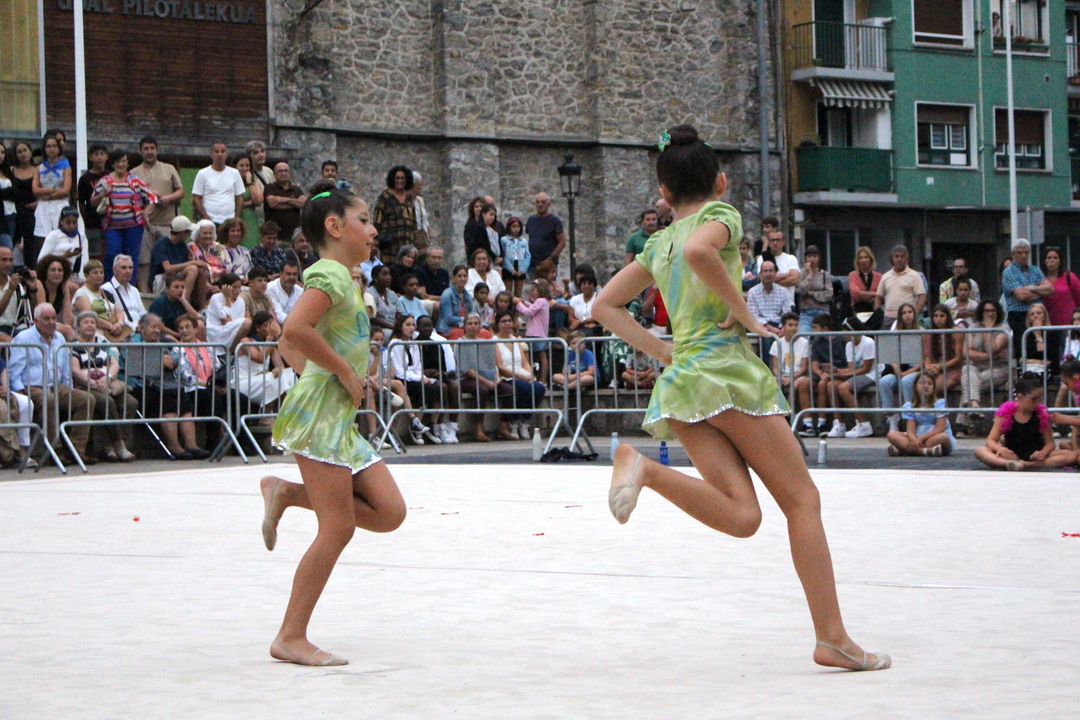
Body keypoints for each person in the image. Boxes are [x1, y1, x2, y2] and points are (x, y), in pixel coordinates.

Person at [592, 124, 889, 672]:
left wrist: (663, 352)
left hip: (683, 385)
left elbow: (603, 307)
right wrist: (746, 312)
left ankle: (646, 469)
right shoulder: (720, 216)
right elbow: (702, 251)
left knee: (743, 515)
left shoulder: (658, 243)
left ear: (663, 195)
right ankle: (832, 637)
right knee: (802, 501)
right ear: (721, 182)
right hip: (725, 372)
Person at [8, 303, 96, 465]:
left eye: (54, 318)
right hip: (32, 386)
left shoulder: (59, 338)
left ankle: (76, 449)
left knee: (86, 399)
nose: (51, 322)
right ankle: (55, 450)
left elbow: (65, 368)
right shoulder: (24, 338)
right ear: (35, 320)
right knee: (48, 400)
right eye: (46, 319)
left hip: (56, 385)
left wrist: (69, 388)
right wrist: (19, 390)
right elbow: (14, 370)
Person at [68, 310, 139, 462]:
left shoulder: (102, 342)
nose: (90, 325)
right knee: (107, 402)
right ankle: (119, 445)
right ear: (78, 326)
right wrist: (91, 382)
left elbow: (114, 364)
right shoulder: (73, 345)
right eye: (85, 322)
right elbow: (74, 370)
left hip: (106, 383)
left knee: (130, 402)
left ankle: (112, 446)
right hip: (85, 385)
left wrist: (107, 378)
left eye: (93, 322)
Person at [974, 376, 1076, 470]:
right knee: (980, 450)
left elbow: (1050, 442)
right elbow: (991, 440)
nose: (1038, 403)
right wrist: (1000, 449)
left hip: (1035, 455)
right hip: (1012, 454)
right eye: (1034, 399)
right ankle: (1008, 463)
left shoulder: (1040, 415)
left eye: (1040, 399)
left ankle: (1027, 465)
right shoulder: (1005, 414)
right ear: (1019, 397)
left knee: (1072, 455)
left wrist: (1043, 452)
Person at [90, 149, 158, 283]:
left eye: (123, 161)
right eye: (118, 162)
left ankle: (129, 287)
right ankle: (110, 286)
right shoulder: (105, 181)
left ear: (127, 164)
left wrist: (146, 212)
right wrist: (103, 194)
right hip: (112, 226)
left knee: (131, 258)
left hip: (134, 226)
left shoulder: (135, 180)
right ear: (113, 164)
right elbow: (92, 202)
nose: (121, 164)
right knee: (112, 255)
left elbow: (152, 198)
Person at [131, 136, 185, 292]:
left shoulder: (169, 169)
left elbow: (181, 191)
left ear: (157, 149)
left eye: (152, 148)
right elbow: (131, 198)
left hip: (167, 223)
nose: (149, 152)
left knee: (168, 262)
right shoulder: (134, 173)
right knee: (144, 261)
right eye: (146, 149)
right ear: (140, 151)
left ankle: (168, 293)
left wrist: (168, 198)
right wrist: (149, 197)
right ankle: (145, 294)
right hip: (144, 224)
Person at [492, 309, 546, 441]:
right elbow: (500, 366)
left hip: (521, 373)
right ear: (498, 324)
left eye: (509, 321)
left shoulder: (515, 340)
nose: (507, 324)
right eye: (503, 321)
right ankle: (514, 421)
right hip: (507, 376)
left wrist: (530, 374)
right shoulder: (494, 341)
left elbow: (525, 362)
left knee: (539, 388)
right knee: (525, 388)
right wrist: (520, 376)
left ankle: (525, 421)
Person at [389, 314, 443, 445]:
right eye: (408, 325)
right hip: (403, 378)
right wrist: (419, 378)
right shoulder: (395, 344)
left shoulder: (414, 344)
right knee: (423, 389)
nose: (411, 328)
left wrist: (423, 377)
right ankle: (415, 426)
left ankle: (432, 424)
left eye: (413, 325)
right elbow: (400, 371)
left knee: (438, 387)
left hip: (414, 377)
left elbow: (418, 367)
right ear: (400, 327)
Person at [958, 299, 1010, 433]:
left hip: (999, 368)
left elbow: (992, 349)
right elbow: (966, 352)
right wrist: (989, 356)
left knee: (969, 382)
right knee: (967, 370)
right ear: (981, 312)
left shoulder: (1004, 329)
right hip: (976, 367)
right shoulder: (973, 328)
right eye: (986, 311)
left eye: (992, 311)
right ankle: (974, 406)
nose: (990, 314)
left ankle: (964, 423)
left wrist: (988, 330)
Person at [818, 319, 877, 438]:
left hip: (872, 374)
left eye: (845, 332)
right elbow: (851, 368)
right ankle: (839, 424)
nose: (844, 335)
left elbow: (865, 369)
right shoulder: (849, 345)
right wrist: (836, 371)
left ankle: (863, 424)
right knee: (831, 385)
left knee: (843, 388)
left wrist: (840, 375)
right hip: (858, 374)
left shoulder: (868, 342)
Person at [235, 310, 295, 415]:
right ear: (257, 328)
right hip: (244, 382)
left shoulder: (269, 344)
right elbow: (260, 358)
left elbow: (282, 366)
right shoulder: (245, 341)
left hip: (261, 380)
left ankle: (289, 413)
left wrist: (278, 369)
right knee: (273, 379)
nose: (269, 328)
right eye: (266, 326)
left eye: (271, 325)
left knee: (289, 375)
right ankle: (265, 415)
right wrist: (270, 337)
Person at [1002, 239, 1052, 358]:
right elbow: (1021, 296)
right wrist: (1040, 291)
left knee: (1042, 347)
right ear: (1013, 254)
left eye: (1026, 252)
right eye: (1020, 253)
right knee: (1025, 349)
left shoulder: (1035, 269)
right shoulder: (1008, 272)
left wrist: (1031, 288)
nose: (1024, 256)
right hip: (1019, 316)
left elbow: (1050, 288)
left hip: (1038, 313)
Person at [885, 372, 955, 457]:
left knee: (943, 438)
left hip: (932, 436)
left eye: (930, 384)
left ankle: (905, 451)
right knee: (892, 434)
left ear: (934, 387)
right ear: (915, 387)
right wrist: (913, 439)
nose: (926, 386)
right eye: (922, 383)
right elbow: (910, 430)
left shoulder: (940, 404)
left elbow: (940, 428)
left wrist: (921, 438)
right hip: (917, 436)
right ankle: (924, 451)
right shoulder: (910, 406)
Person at [877, 302, 923, 431]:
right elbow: (891, 356)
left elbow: (925, 359)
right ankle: (891, 416)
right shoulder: (895, 333)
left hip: (916, 371)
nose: (907, 315)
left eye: (910, 312)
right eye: (904, 313)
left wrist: (909, 372)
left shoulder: (922, 332)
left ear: (914, 314)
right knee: (884, 382)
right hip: (900, 371)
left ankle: (909, 416)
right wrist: (896, 368)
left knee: (906, 381)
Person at [30, 135, 72, 267]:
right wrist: (53, 190)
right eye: (48, 146)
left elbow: (65, 190)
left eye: (54, 146)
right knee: (43, 239)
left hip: (60, 205)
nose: (51, 149)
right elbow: (35, 190)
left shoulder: (65, 166)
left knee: (61, 237)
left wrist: (46, 194)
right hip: (43, 207)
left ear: (59, 148)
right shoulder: (39, 167)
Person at [454, 313, 496, 442]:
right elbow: (467, 370)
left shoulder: (485, 343)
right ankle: (478, 429)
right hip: (465, 378)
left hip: (484, 376)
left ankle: (506, 426)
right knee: (482, 390)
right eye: (470, 323)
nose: (473, 326)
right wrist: (487, 382)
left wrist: (497, 379)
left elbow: (491, 365)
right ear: (465, 326)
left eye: (476, 323)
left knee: (509, 389)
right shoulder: (460, 343)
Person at [149, 216, 205, 302]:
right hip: (161, 279)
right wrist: (193, 262)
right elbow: (168, 269)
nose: (189, 235)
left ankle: (202, 305)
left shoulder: (182, 245)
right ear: (182, 233)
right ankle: (184, 302)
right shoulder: (161, 245)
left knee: (199, 270)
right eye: (188, 232)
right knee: (193, 268)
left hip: (175, 275)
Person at [72, 259, 128, 342]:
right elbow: (90, 317)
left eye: (101, 272)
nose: (99, 275)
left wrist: (120, 323)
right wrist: (110, 327)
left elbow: (118, 311)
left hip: (111, 333)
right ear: (86, 276)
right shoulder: (81, 294)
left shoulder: (105, 293)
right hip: (92, 334)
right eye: (95, 273)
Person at [372, 165, 417, 264]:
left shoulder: (409, 199)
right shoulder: (384, 197)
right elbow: (377, 222)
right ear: (393, 179)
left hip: (407, 243)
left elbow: (414, 223)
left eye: (402, 178)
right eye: (397, 178)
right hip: (390, 245)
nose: (400, 181)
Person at [192, 142, 244, 225]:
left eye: (222, 151)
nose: (220, 154)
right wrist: (205, 217)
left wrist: (237, 218)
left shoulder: (235, 173)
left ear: (226, 154)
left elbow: (239, 198)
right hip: (210, 221)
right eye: (216, 152)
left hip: (229, 221)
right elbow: (196, 198)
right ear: (211, 154)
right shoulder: (202, 173)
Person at [746, 259, 788, 360]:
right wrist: (770, 328)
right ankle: (769, 368)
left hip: (779, 326)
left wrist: (782, 329)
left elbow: (786, 314)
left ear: (775, 273)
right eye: (765, 271)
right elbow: (753, 316)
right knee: (766, 337)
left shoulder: (783, 292)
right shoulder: (753, 292)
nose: (768, 274)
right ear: (760, 274)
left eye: (771, 271)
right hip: (761, 326)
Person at [874, 245, 926, 326]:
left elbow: (922, 296)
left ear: (907, 259)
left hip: (907, 318)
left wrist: (915, 314)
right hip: (888, 318)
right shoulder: (885, 276)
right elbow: (878, 297)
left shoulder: (914, 275)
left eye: (902, 256)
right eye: (897, 256)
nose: (899, 259)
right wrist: (878, 315)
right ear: (892, 258)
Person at [205, 272, 252, 355]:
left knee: (247, 323)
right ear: (226, 287)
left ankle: (229, 352)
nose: (238, 290)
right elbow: (223, 319)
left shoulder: (241, 301)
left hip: (231, 330)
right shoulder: (215, 298)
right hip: (217, 331)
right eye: (234, 287)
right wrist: (228, 299)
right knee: (247, 322)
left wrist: (230, 321)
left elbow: (236, 323)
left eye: (239, 287)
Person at [38, 206, 89, 282]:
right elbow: (40, 260)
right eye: (68, 223)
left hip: (71, 275)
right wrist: (63, 257)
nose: (72, 226)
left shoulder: (80, 236)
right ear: (61, 222)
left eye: (74, 222)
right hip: (54, 274)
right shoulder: (54, 235)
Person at [1040, 247, 1080, 343]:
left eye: (1055, 257)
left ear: (1060, 261)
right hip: (1047, 326)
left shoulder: (1069, 277)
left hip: (1067, 326)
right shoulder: (1040, 279)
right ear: (1045, 261)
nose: (1052, 260)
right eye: (1049, 257)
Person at [75, 143, 108, 259]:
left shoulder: (110, 175)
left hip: (110, 221)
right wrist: (86, 220)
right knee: (94, 254)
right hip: (92, 222)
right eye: (96, 154)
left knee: (108, 253)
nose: (99, 157)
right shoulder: (84, 179)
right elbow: (81, 202)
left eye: (102, 154)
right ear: (90, 157)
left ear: (106, 156)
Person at [770, 312, 808, 411]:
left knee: (795, 385)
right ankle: (774, 411)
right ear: (783, 327)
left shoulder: (805, 343)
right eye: (790, 325)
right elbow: (775, 368)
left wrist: (792, 377)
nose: (793, 328)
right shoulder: (777, 343)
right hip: (782, 374)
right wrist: (781, 377)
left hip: (798, 375)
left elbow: (803, 368)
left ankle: (786, 412)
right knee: (771, 383)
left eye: (796, 325)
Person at [148, 271, 201, 342]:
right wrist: (179, 335)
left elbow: (195, 318)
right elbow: (161, 327)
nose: (180, 290)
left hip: (183, 331)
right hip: (166, 335)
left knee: (200, 325)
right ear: (167, 289)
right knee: (168, 337)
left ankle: (201, 347)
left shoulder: (183, 301)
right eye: (176, 287)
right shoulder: (159, 302)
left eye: (182, 287)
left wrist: (184, 301)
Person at [33, 254, 76, 341]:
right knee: (67, 330)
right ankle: (78, 349)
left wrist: (66, 292)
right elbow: (44, 315)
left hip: (51, 324)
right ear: (46, 272)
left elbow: (69, 321)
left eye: (60, 270)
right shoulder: (39, 284)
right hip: (36, 324)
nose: (57, 273)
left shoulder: (63, 288)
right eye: (53, 270)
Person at [516, 279, 552, 382]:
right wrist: (524, 302)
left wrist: (518, 303)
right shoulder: (544, 301)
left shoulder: (540, 301)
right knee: (539, 357)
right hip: (539, 334)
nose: (531, 292)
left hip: (537, 334)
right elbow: (533, 307)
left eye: (534, 290)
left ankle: (542, 380)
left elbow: (528, 312)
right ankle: (539, 379)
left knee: (540, 357)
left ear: (541, 289)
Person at [9, 141, 39, 263]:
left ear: (30, 152)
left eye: (25, 150)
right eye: (19, 152)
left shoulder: (37, 170)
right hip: (14, 212)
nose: (22, 154)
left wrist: (38, 203)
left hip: (32, 212)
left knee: (31, 247)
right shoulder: (11, 170)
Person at [923, 303, 963, 396]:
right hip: (935, 367)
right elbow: (927, 355)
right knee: (921, 385)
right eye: (936, 316)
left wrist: (941, 366)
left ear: (947, 317)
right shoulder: (930, 333)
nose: (938, 319)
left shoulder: (956, 331)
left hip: (952, 368)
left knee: (933, 388)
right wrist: (928, 366)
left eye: (942, 316)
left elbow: (959, 358)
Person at [754, 229, 798, 311]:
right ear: (768, 242)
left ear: (784, 242)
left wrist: (771, 280)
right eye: (772, 240)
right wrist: (786, 274)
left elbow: (794, 280)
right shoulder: (762, 258)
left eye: (778, 240)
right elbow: (763, 279)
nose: (775, 242)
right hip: (767, 304)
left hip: (788, 303)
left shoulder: (791, 258)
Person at [263, 162, 306, 243]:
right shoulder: (269, 188)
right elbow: (272, 204)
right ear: (274, 174)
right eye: (280, 171)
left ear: (290, 173)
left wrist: (283, 200)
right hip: (275, 236)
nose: (283, 173)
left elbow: (303, 204)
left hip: (294, 235)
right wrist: (295, 203)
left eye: (286, 171)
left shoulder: (296, 189)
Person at [525, 192, 566, 274]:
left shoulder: (555, 221)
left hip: (548, 265)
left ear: (548, 204)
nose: (540, 205)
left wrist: (550, 259)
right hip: (532, 264)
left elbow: (562, 242)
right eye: (538, 202)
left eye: (543, 202)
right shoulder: (531, 220)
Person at [103, 254, 146, 333]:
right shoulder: (106, 289)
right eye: (123, 268)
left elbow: (143, 313)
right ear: (114, 270)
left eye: (130, 268)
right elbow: (112, 315)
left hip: (140, 331)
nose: (128, 271)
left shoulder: (134, 290)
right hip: (122, 332)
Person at [796, 245, 832, 334]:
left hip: (822, 311)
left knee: (824, 335)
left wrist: (812, 294)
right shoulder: (801, 273)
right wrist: (809, 275)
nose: (812, 259)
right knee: (802, 335)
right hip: (806, 312)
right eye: (809, 256)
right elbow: (800, 291)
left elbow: (829, 294)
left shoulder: (825, 275)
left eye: (814, 256)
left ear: (818, 258)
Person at [0, 245, 34, 340]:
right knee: (12, 342)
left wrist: (32, 290)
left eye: (11, 260)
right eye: (4, 260)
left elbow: (30, 312)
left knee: (32, 337)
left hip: (12, 327)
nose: (8, 264)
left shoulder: (16, 284)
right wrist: (10, 290)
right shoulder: (13, 285)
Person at [187, 219, 228, 291]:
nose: (208, 236)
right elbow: (197, 271)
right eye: (205, 233)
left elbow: (224, 265)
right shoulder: (192, 247)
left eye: (210, 233)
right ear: (197, 234)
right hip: (201, 283)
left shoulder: (217, 246)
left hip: (220, 282)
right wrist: (211, 287)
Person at [437, 265, 476, 339]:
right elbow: (448, 319)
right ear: (454, 278)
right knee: (461, 333)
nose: (462, 278)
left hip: (465, 327)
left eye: (465, 276)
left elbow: (472, 314)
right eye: (459, 276)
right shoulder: (447, 294)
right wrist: (465, 320)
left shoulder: (468, 296)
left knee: (484, 332)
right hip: (448, 329)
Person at [234, 155, 264, 249]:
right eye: (241, 165)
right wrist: (247, 203)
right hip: (235, 216)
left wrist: (249, 182)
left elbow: (258, 201)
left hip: (250, 219)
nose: (245, 168)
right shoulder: (231, 182)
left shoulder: (254, 183)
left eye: (247, 165)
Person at [242, 266, 281, 338]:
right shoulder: (244, 298)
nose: (264, 283)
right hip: (250, 336)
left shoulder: (266, 298)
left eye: (265, 280)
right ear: (250, 283)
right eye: (260, 281)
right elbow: (249, 325)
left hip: (265, 333)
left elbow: (274, 322)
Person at [1021, 302, 1059, 377]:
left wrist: (1038, 336)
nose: (1035, 316)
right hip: (1029, 372)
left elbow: (1047, 358)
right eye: (1032, 314)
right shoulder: (1026, 334)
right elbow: (1021, 359)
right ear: (1028, 318)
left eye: (1038, 313)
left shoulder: (1052, 333)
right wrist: (1038, 362)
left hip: (1048, 371)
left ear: (1044, 316)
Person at [465, 203, 504, 268]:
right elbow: (484, 245)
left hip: (498, 259)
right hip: (488, 258)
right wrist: (494, 257)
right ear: (483, 214)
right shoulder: (480, 228)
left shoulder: (495, 228)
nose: (492, 217)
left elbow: (499, 243)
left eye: (494, 215)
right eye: (490, 215)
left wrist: (501, 256)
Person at [266, 259, 303, 326]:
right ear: (280, 274)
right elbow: (278, 315)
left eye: (294, 274)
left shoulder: (300, 291)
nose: (292, 277)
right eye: (288, 274)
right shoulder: (270, 288)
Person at [501, 216, 530, 298]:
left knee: (518, 294)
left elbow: (527, 256)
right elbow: (503, 255)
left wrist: (523, 269)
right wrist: (511, 269)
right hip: (508, 266)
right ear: (509, 227)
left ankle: (518, 306)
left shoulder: (523, 241)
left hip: (520, 265)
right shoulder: (504, 240)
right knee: (508, 293)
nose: (516, 229)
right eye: (514, 226)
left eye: (518, 226)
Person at [847, 246, 881, 318]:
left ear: (870, 259)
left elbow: (882, 295)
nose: (863, 260)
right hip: (858, 311)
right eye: (861, 258)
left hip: (875, 312)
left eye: (866, 257)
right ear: (857, 260)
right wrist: (875, 294)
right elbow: (855, 293)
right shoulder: (853, 275)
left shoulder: (879, 276)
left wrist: (863, 296)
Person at [370, 264, 399, 332]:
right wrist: (394, 328)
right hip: (378, 329)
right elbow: (373, 318)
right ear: (375, 278)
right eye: (384, 274)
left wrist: (400, 326)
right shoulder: (369, 294)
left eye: (389, 275)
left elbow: (399, 313)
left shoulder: (392, 294)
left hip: (395, 327)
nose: (388, 277)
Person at [411, 171, 429, 254]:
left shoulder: (420, 200)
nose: (421, 187)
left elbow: (425, 220)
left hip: (423, 240)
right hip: (412, 240)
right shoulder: (405, 202)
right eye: (419, 185)